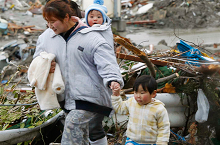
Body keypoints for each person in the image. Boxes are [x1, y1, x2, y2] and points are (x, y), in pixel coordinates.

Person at [33, 0, 124, 144]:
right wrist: (45, 66)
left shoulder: (91, 37)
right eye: (47, 22)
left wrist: (113, 80)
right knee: (84, 133)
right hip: (66, 97)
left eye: (53, 21)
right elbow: (37, 60)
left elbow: (107, 62)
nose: (50, 26)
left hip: (91, 96)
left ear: (67, 17)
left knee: (72, 124)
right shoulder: (46, 38)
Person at [111, 75, 170, 145]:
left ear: (153, 93)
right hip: (132, 141)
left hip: (150, 143)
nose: (138, 96)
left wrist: (161, 143)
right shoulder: (131, 102)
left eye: (142, 93)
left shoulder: (159, 109)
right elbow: (119, 108)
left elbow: (163, 128)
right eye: (136, 92)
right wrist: (116, 95)